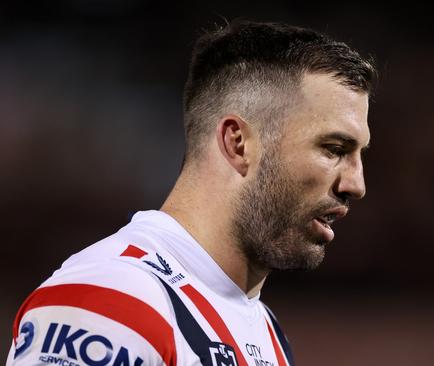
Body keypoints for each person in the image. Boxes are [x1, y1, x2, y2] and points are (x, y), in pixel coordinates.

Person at [8, 20, 376, 366]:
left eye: (359, 155)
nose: (355, 185)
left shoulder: (265, 331)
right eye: (334, 149)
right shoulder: (109, 300)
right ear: (238, 143)